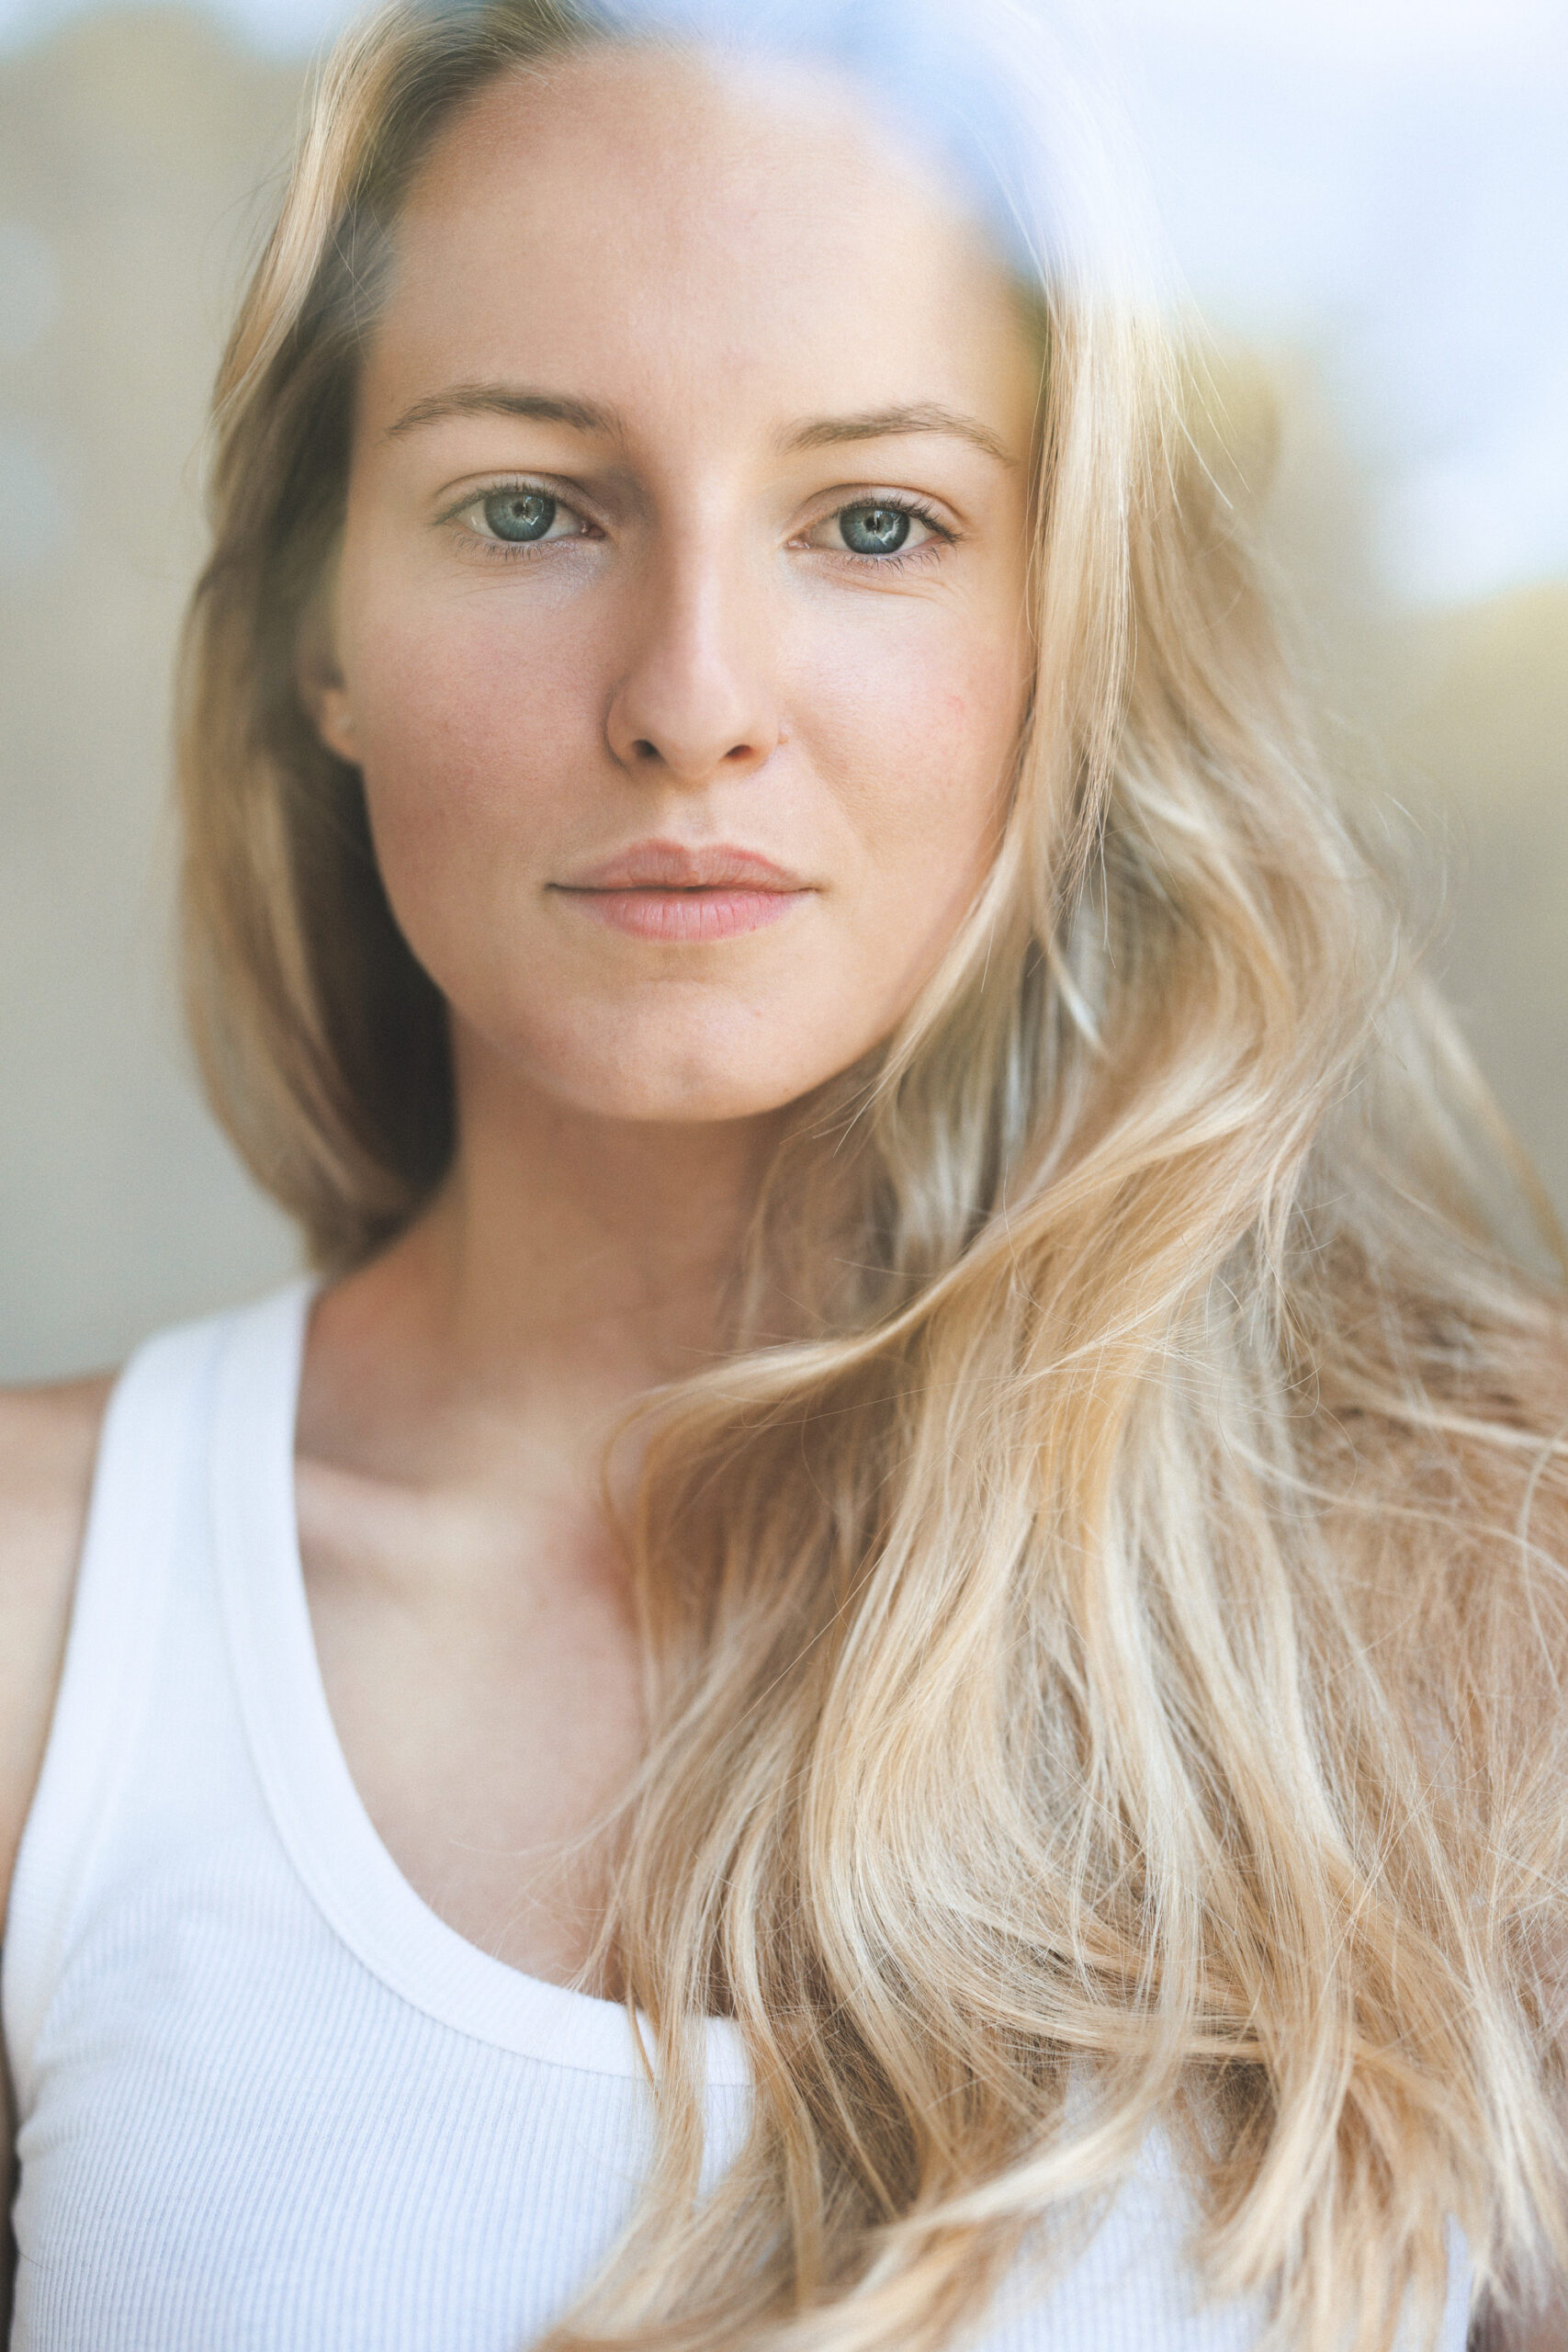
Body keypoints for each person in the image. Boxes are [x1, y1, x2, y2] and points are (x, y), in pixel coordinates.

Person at [1, 1, 1564, 2346]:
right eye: (527, 507)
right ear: (321, 629)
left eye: (873, 523)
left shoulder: (1486, 1564)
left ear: (1060, 632)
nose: (692, 696)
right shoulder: (44, 1619)